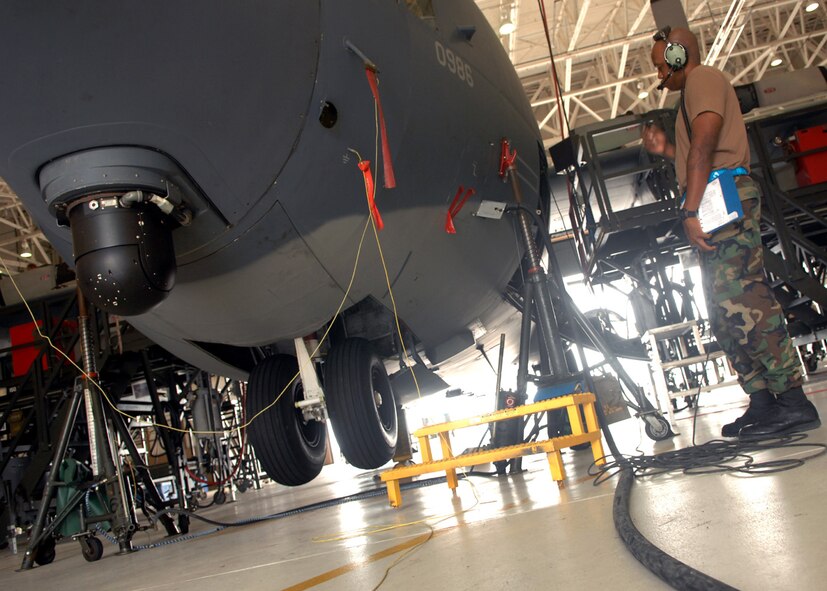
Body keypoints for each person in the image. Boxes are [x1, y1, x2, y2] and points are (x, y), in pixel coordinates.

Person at [642, 27, 820, 437]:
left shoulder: (702, 79)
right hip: (711, 195)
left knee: (743, 297)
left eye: (660, 66)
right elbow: (694, 152)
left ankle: (793, 400)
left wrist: (689, 210)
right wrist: (667, 151)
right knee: (723, 311)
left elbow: (705, 147)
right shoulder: (689, 95)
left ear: (676, 57)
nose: (659, 76)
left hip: (721, 194)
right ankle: (763, 400)